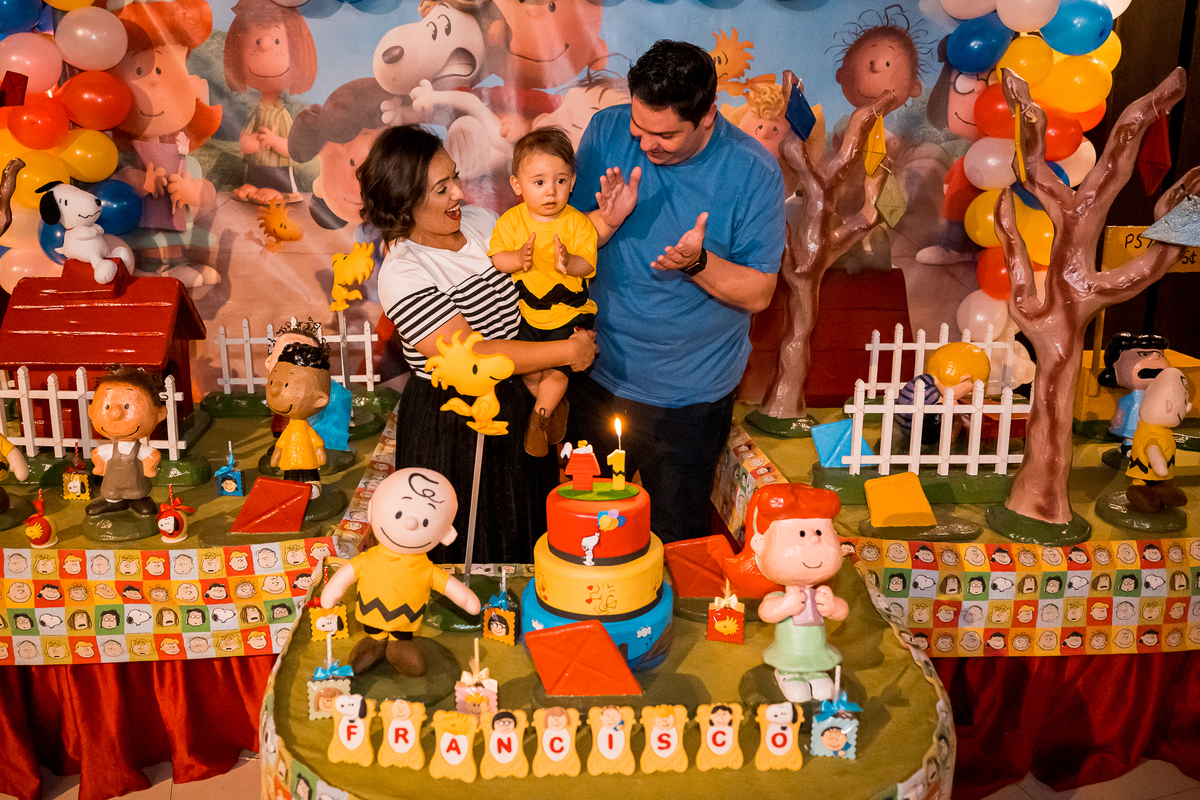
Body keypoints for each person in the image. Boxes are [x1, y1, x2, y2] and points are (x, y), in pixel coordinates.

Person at [567, 40, 785, 543]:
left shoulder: (754, 171)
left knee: (675, 544)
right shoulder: (605, 130)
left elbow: (759, 293)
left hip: (689, 399)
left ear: (707, 115)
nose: (645, 145)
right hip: (596, 377)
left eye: (665, 135)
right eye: (638, 127)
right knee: (585, 536)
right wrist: (604, 220)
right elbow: (565, 238)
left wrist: (698, 264)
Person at [362, 125, 596, 563]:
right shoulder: (404, 271)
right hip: (454, 422)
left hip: (517, 401)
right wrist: (567, 351)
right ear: (405, 203)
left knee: (522, 526)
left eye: (454, 176)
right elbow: (470, 357)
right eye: (441, 189)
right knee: (469, 540)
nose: (459, 193)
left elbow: (550, 262)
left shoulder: (483, 223)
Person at [489, 126, 598, 457]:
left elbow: (588, 265)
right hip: (527, 313)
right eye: (539, 183)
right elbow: (497, 258)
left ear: (572, 182)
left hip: (569, 312)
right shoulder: (511, 221)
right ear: (517, 185)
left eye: (560, 181)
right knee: (529, 369)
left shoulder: (578, 223)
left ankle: (539, 419)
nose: (551, 191)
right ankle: (553, 405)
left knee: (557, 368)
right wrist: (517, 258)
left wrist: (569, 260)